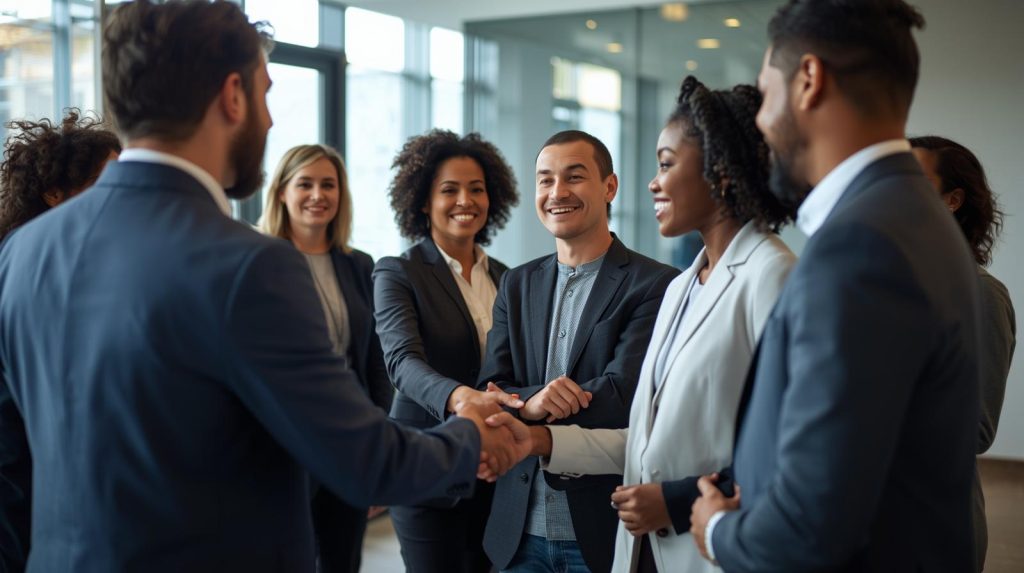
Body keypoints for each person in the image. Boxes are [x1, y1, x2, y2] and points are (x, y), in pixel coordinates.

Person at [0, 2, 530, 571]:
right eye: (267, 92)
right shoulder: (249, 264)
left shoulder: (23, 251)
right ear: (233, 95)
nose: (272, 119)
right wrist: (472, 437)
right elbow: (361, 460)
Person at [688, 1, 982, 571]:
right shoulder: (914, 215)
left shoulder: (861, 246)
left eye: (765, 93)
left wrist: (719, 530)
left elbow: (810, 528)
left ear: (808, 80)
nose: (761, 120)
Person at [520, 76, 796, 573]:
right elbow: (649, 440)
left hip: (719, 545)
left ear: (721, 173)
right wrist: (541, 441)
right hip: (647, 549)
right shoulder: (681, 287)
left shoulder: (773, 275)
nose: (653, 181)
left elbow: (789, 448)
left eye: (666, 164)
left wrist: (673, 499)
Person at [477, 130, 679, 572]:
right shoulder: (517, 283)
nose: (556, 193)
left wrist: (529, 404)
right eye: (545, 180)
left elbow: (624, 395)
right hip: (518, 532)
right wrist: (529, 403)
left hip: (602, 529)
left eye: (573, 177)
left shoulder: (655, 284)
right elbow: (491, 387)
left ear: (609, 187)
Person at [372, 129, 522, 573]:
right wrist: (462, 398)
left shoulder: (509, 278)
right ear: (422, 201)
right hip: (426, 465)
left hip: (499, 468)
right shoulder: (398, 273)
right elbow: (402, 362)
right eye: (449, 190)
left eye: (476, 189)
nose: (465, 201)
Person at [260, 144, 393, 573]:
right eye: (305, 184)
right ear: (281, 192)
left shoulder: (359, 265)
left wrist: (378, 447)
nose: (318, 194)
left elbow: (374, 363)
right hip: (281, 443)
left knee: (342, 559)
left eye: (328, 185)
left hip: (347, 440)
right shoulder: (256, 261)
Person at [910, 135, 1016, 573]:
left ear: (952, 200)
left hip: (932, 521)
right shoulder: (880, 288)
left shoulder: (983, 296)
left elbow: (977, 427)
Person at [0, 109, 121, 242]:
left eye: (121, 178)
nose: (120, 191)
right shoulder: (31, 252)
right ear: (53, 194)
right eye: (103, 183)